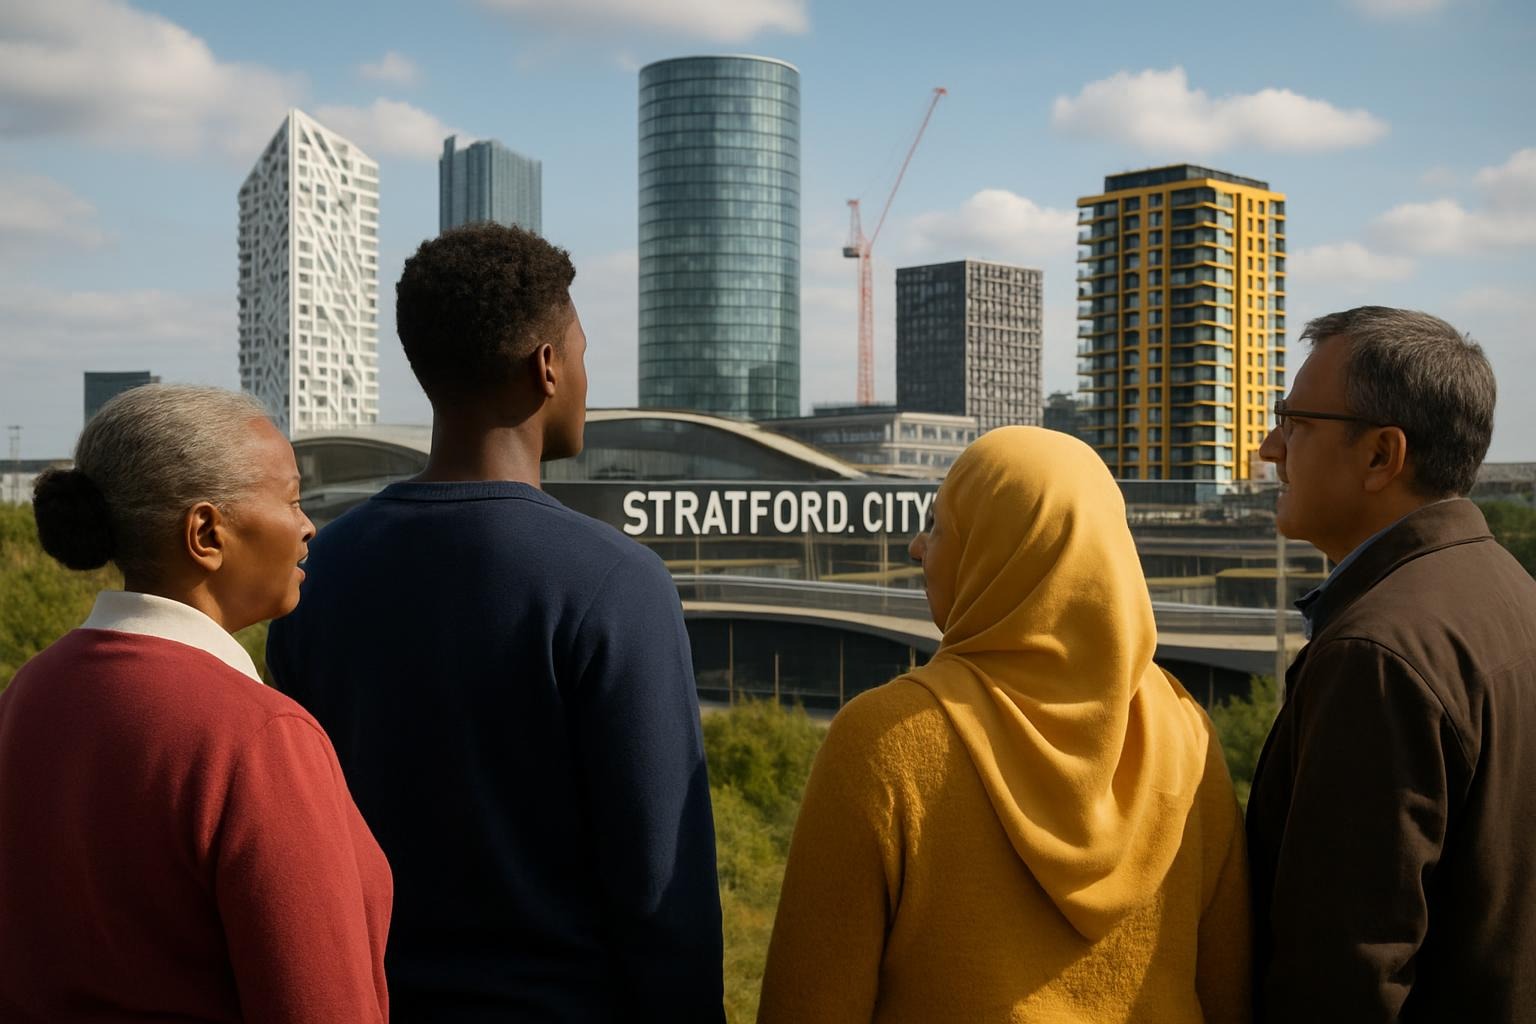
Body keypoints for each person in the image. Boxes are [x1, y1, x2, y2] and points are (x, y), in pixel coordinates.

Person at [267, 223, 724, 1022]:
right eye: (580, 350)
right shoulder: (618, 584)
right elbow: (663, 896)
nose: (586, 374)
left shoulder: (318, 574)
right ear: (547, 366)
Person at [757, 426, 1251, 1024]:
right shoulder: (1186, 735)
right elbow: (1229, 988)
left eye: (938, 525)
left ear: (996, 555)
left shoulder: (885, 741)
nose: (918, 547)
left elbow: (809, 1003)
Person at [0, 385, 391, 1023]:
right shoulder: (258, 737)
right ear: (206, 531)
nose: (307, 524)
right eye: (291, 499)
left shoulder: (28, 694)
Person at [1247, 306, 1536, 1021]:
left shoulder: (1377, 654)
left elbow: (1345, 975)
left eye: (1294, 421)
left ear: (1381, 456)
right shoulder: (1509, 592)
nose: (1267, 446)